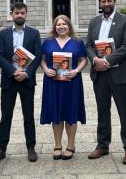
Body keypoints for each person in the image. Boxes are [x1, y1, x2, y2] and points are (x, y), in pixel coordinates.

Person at [86, 0, 126, 164]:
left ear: (114, 2)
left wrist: (106, 60)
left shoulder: (125, 21)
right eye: (103, 2)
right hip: (100, 75)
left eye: (109, 1)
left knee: (124, 113)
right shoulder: (94, 22)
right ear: (100, 4)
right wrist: (95, 60)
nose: (106, 4)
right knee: (102, 112)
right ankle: (102, 145)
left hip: (119, 74)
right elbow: (89, 46)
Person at [0, 2, 42, 164]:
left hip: (26, 81)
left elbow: (38, 56)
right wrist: (13, 72)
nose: (19, 15)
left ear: (26, 14)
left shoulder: (34, 33)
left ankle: (31, 147)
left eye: (22, 13)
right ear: (11, 14)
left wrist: (26, 73)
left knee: (28, 116)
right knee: (6, 116)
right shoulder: (3, 34)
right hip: (9, 80)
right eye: (16, 13)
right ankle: (1, 149)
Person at [40, 14, 87, 160]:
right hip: (53, 82)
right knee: (56, 113)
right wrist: (45, 69)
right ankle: (58, 145)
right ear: (55, 27)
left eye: (64, 24)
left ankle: (71, 145)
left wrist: (76, 70)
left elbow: (84, 60)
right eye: (58, 24)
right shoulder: (47, 42)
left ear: (69, 26)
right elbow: (42, 60)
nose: (61, 27)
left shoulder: (77, 42)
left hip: (72, 82)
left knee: (70, 113)